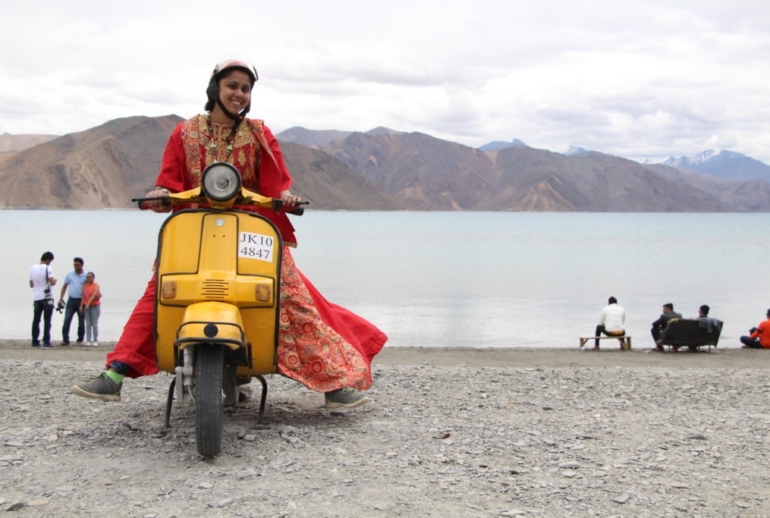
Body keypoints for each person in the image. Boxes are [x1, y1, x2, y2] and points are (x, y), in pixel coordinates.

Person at [72, 59, 387, 407]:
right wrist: (160, 195)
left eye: (245, 88)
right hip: (193, 233)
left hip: (251, 234)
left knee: (291, 297)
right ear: (215, 89)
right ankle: (115, 374)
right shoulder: (184, 132)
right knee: (160, 291)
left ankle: (333, 384)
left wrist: (286, 198)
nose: (239, 94)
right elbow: (170, 181)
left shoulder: (260, 134)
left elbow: (276, 184)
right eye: (232, 86)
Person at [29, 251, 57, 349]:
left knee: (36, 320)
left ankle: (35, 340)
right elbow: (52, 282)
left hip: (36, 297)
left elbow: (31, 284)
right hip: (46, 297)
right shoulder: (48, 268)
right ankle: (46, 341)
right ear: (48, 260)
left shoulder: (32, 268)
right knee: (47, 320)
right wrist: (55, 280)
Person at [58, 257, 87, 346]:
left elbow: (89, 288)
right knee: (67, 320)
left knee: (81, 321)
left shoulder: (86, 275)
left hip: (81, 300)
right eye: (74, 265)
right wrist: (61, 298)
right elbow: (64, 286)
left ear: (82, 265)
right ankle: (65, 339)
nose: (76, 266)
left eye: (77, 265)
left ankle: (80, 340)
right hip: (71, 300)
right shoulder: (70, 274)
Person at [81, 271, 102, 347]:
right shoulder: (85, 286)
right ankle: (88, 340)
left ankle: (95, 340)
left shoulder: (96, 285)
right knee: (88, 324)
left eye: (90, 277)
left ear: (93, 278)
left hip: (95, 306)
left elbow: (93, 295)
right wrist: (81, 306)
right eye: (87, 277)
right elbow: (83, 296)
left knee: (94, 324)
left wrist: (88, 304)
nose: (89, 278)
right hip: (87, 307)